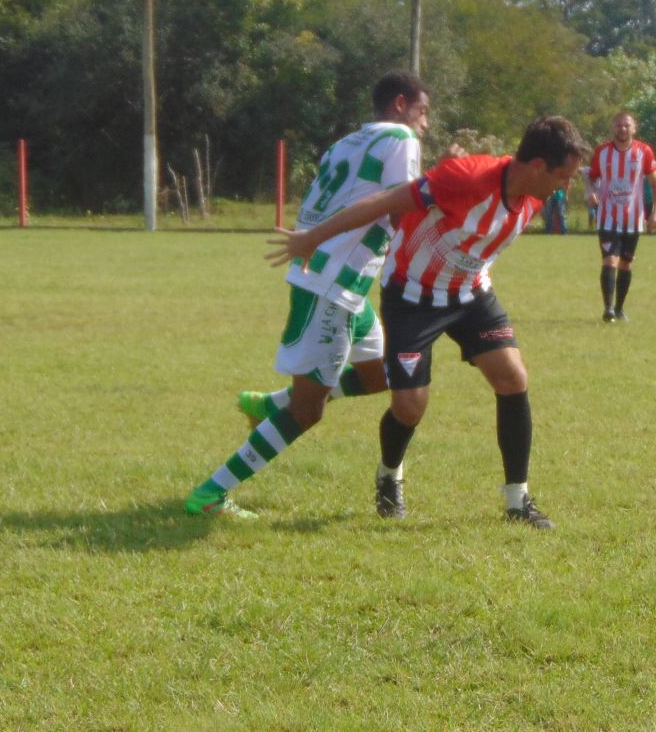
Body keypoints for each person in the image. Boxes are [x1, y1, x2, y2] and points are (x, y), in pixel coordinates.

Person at [268, 116, 593, 529]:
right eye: (563, 176)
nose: (566, 187)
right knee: (409, 406)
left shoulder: (534, 195)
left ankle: (518, 500)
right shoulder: (467, 177)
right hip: (412, 296)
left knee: (512, 378)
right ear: (538, 166)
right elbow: (385, 202)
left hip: (471, 295)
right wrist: (313, 238)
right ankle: (389, 475)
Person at [185, 71, 431, 518]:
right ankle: (211, 494)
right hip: (332, 287)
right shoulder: (401, 137)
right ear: (399, 104)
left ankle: (270, 403)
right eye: (423, 111)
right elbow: (402, 204)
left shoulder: (346, 143)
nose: (425, 124)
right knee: (308, 412)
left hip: (337, 283)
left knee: (383, 375)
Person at [586, 111, 656, 321]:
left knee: (626, 264)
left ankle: (619, 308)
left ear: (634, 128)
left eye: (626, 125)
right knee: (610, 260)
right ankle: (608, 309)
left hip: (633, 220)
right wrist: (591, 191)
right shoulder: (602, 152)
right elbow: (591, 178)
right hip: (607, 218)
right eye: (619, 125)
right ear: (613, 128)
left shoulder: (643, 152)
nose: (622, 129)